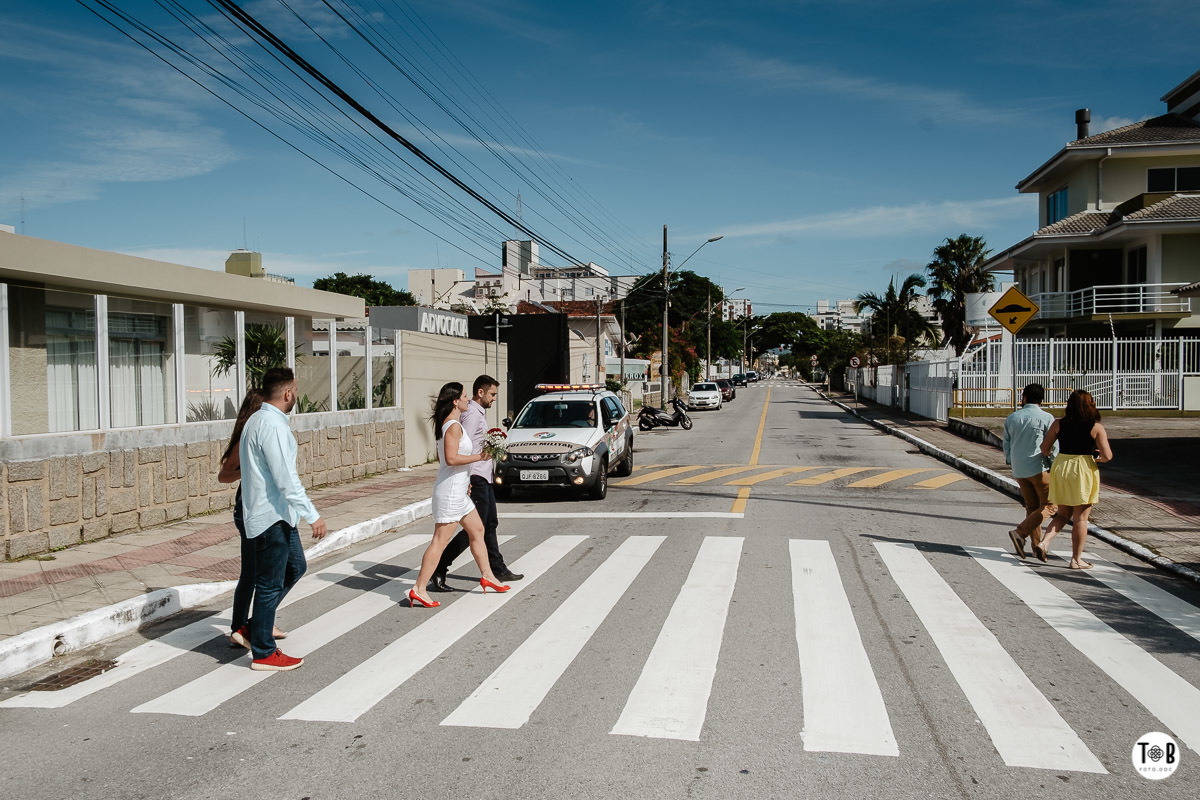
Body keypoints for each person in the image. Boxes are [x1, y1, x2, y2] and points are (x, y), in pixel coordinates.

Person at [239, 368, 327, 670]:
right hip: (271, 517)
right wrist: (312, 514)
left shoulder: (257, 420)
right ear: (288, 393)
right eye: (296, 391)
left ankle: (255, 627)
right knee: (268, 584)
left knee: (296, 567)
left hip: (277, 515)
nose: (296, 396)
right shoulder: (271, 426)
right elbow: (285, 478)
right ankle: (264, 652)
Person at [410, 382, 511, 607]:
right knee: (439, 541)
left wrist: (465, 480)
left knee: (478, 530)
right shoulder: (453, 426)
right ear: (455, 401)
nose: (468, 399)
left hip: (459, 491)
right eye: (465, 396)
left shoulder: (450, 424)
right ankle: (419, 588)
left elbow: (442, 459)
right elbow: (450, 459)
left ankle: (487, 575)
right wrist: (480, 457)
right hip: (450, 494)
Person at [429, 375, 522, 592]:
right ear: (480, 392)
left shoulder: (477, 412)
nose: (494, 398)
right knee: (475, 528)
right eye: (492, 394)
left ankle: (496, 568)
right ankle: (440, 566)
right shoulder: (471, 413)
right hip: (476, 476)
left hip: (482, 475)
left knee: (488, 524)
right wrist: (470, 475)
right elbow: (463, 447)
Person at [216, 389, 287, 649]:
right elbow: (224, 475)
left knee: (261, 572)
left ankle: (253, 624)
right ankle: (242, 627)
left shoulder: (265, 432)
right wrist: (248, 468)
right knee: (253, 573)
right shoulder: (247, 436)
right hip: (248, 510)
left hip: (263, 509)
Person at [1037, 389, 1113, 569]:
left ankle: (1044, 543)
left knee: (1063, 514)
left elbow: (1044, 449)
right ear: (1090, 405)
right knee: (1080, 517)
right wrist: (1097, 458)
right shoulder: (1096, 427)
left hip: (1062, 466)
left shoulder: (1058, 424)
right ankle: (1076, 560)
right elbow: (1108, 456)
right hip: (1083, 468)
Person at [1001, 383, 1057, 561]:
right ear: (1042, 400)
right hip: (1039, 468)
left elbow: (1006, 443)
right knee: (1051, 505)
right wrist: (1053, 464)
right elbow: (1053, 445)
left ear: (1024, 398)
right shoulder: (1047, 418)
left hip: (1019, 469)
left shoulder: (1012, 417)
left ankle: (1036, 547)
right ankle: (1020, 532)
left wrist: (1010, 460)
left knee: (1032, 508)